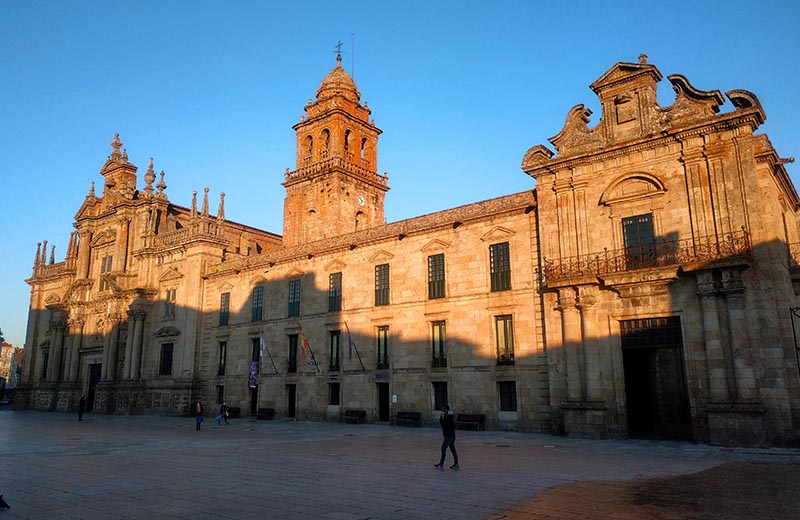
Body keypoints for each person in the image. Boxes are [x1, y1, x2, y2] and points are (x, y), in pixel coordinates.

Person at [434, 404, 459, 469]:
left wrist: (443, 418)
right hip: (451, 435)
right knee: (453, 449)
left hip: (448, 436)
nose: (442, 409)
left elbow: (444, 424)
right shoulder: (447, 416)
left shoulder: (448, 417)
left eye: (443, 408)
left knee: (443, 449)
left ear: (445, 409)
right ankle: (456, 464)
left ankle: (441, 464)